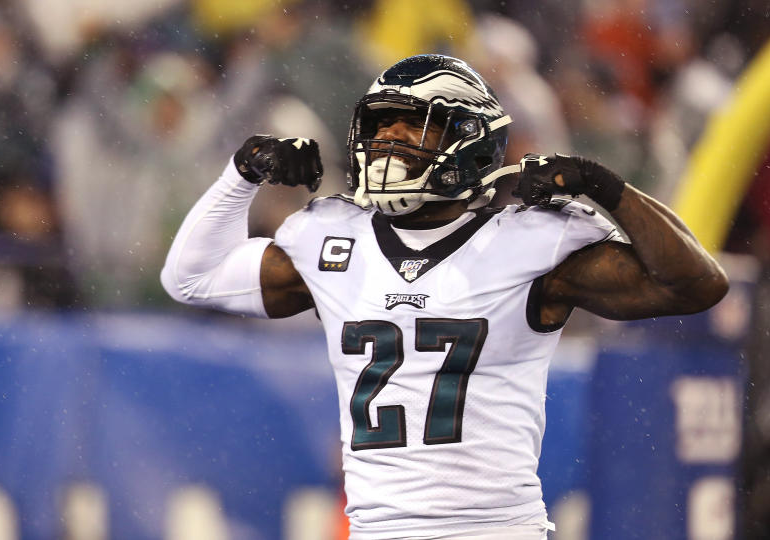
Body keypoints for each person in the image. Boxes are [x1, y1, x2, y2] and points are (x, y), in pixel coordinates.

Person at [161, 54, 728, 540]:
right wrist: (243, 173)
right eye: (382, 125)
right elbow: (191, 277)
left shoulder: (531, 239)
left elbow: (697, 283)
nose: (389, 139)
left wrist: (606, 188)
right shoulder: (331, 236)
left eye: (413, 126)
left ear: (468, 142)